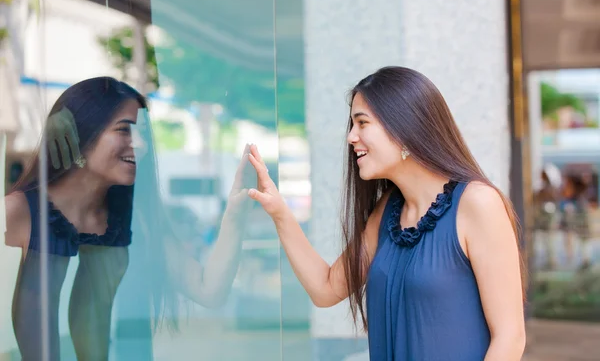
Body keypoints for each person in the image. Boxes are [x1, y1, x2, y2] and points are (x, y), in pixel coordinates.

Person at [247, 67, 526, 360]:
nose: (351, 137)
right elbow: (326, 289)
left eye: (362, 123)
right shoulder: (388, 212)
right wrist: (280, 213)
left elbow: (510, 338)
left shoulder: (478, 203)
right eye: (352, 125)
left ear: (404, 128)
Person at [3, 77, 249, 360]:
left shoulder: (132, 219)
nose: (141, 145)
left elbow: (209, 290)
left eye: (143, 132)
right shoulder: (17, 214)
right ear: (81, 135)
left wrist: (235, 213)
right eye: (124, 130)